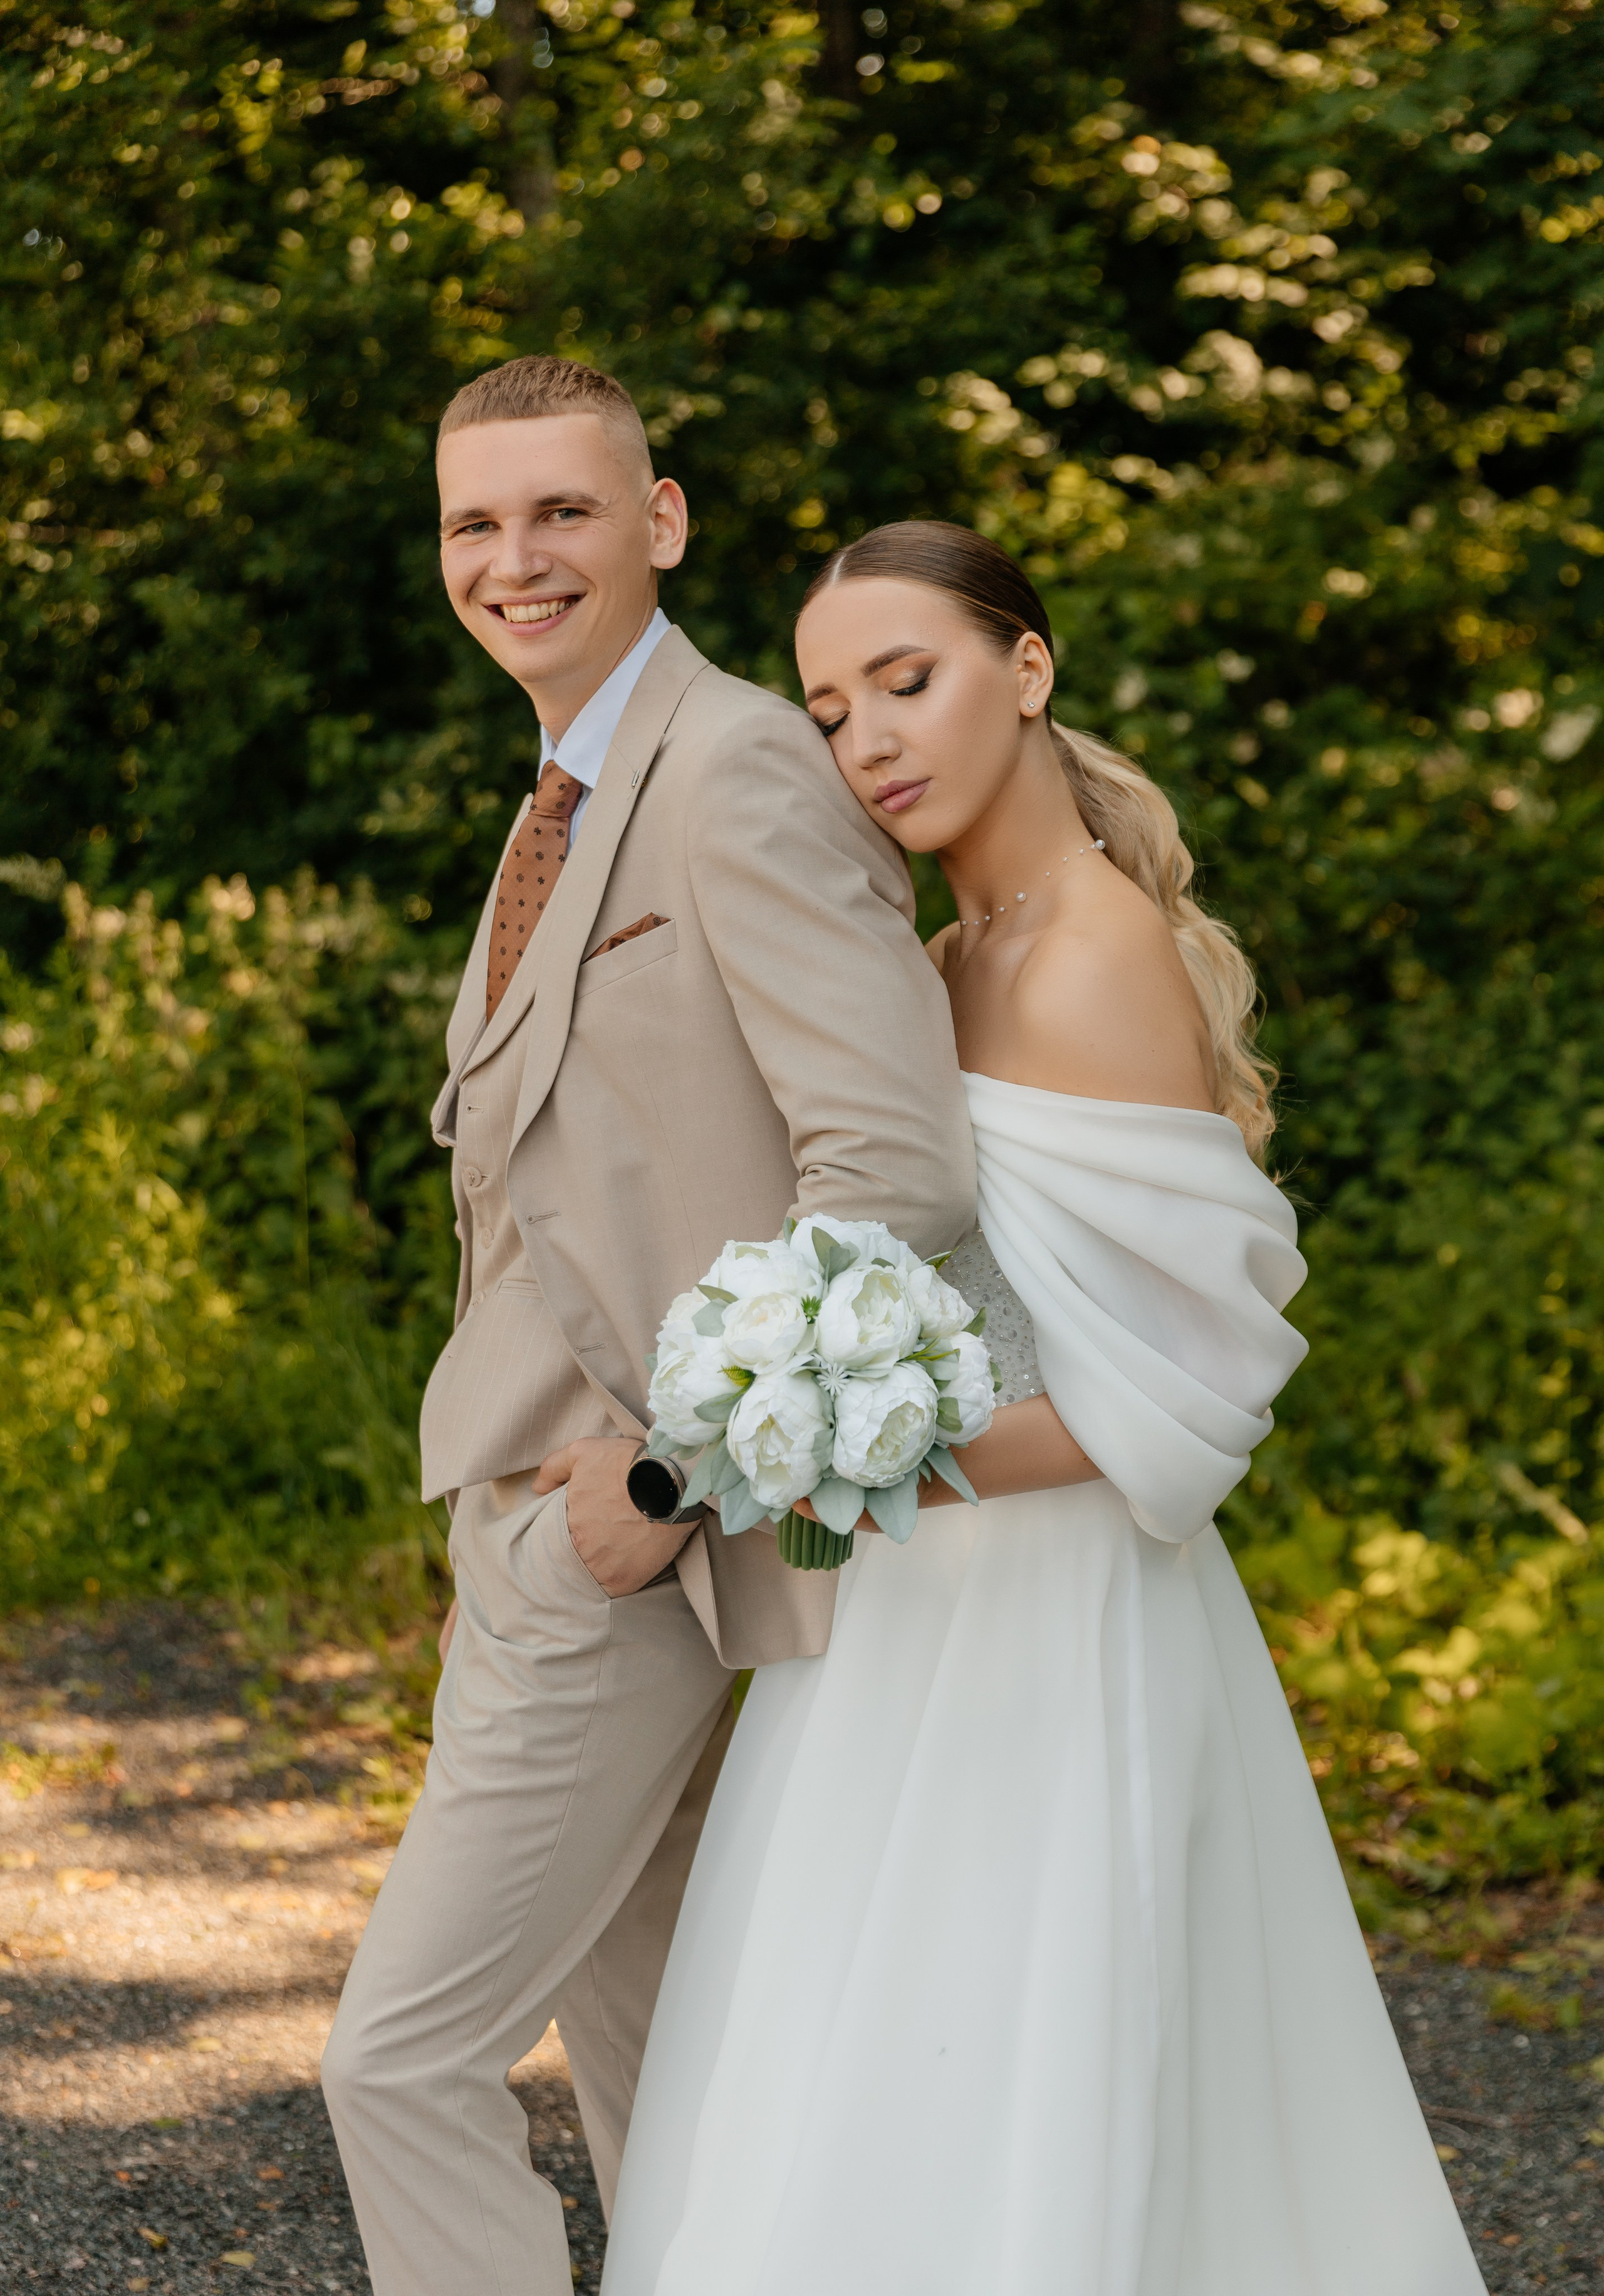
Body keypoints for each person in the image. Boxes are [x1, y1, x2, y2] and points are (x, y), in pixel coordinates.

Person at [602, 523, 1486, 2294]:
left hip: (1055, 1617)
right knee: (865, 2061)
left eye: (906, 684)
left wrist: (843, 1456)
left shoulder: (1093, 959)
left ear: (1028, 668)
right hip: (899, 1612)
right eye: (833, 711)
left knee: (1026, 2068)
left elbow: (1171, 1397)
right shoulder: (933, 962)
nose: (869, 745)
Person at [318, 371, 974, 2296]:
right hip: (534, 1522)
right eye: (474, 525)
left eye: (562, 514)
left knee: (399, 2058)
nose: (513, 560)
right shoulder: (569, 791)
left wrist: (678, 1473)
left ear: (663, 522)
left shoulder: (740, 761)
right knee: (667, 2082)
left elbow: (896, 1163)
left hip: (631, 1542)